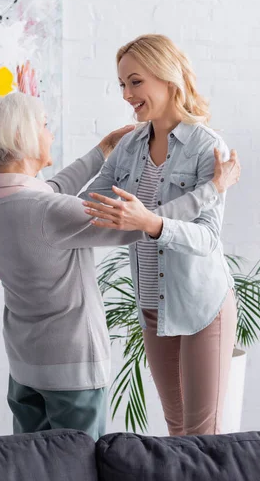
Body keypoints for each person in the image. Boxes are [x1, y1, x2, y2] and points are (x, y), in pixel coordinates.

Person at [0, 89, 240, 439]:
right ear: (23, 137)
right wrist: (214, 188)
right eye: (45, 125)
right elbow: (141, 223)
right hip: (70, 371)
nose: (50, 134)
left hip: (23, 368)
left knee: (32, 464)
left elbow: (50, 192)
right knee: (81, 465)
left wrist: (101, 152)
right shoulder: (48, 211)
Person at [73, 34, 241, 436]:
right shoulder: (130, 146)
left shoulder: (207, 147)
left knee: (203, 434)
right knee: (176, 428)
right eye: (122, 85)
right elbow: (85, 205)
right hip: (153, 307)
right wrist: (18, 227)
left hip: (202, 307)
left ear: (167, 78)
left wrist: (150, 223)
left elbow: (207, 239)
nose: (127, 95)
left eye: (135, 81)